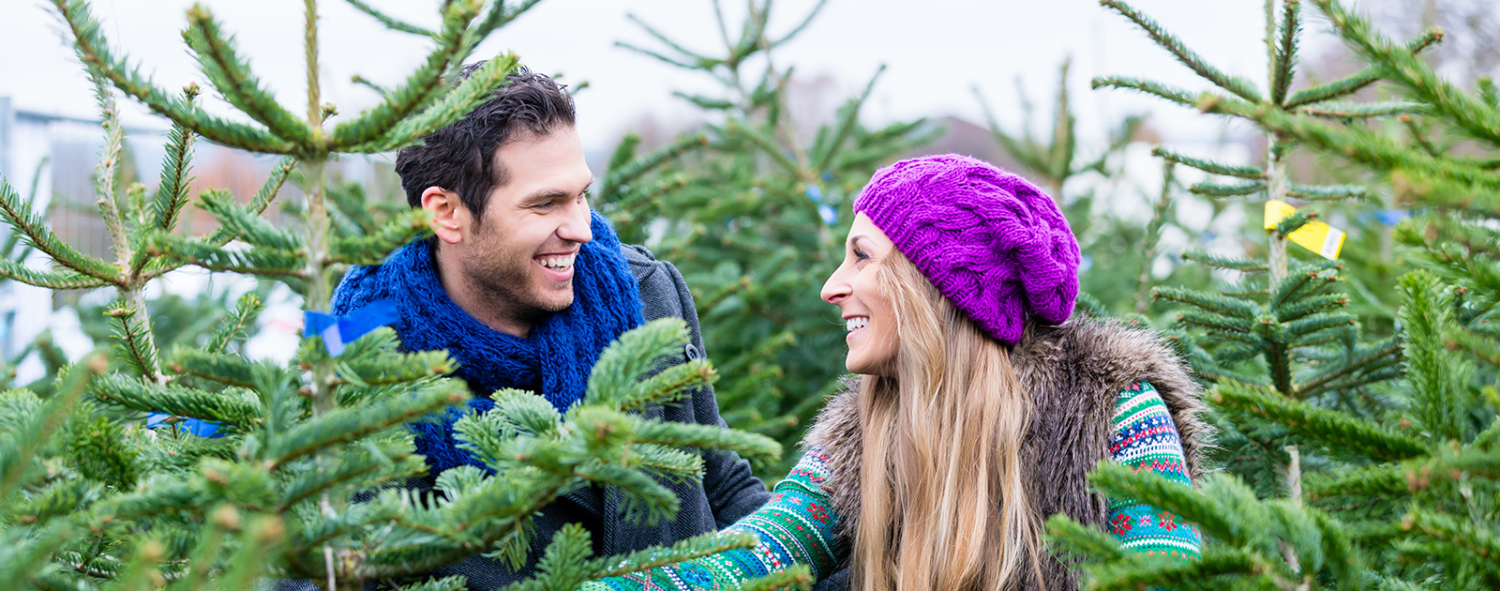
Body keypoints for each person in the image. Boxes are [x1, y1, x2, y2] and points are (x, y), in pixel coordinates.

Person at [585, 154, 1209, 591]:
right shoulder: (858, 435)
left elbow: (1165, 580)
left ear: (936, 286)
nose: (832, 287)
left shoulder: (1111, 413)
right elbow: (752, 557)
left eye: (861, 256)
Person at [328, 64, 770, 589]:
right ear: (445, 213)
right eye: (545, 204)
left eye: (581, 195)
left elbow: (723, 488)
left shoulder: (647, 294)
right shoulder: (357, 369)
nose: (582, 229)